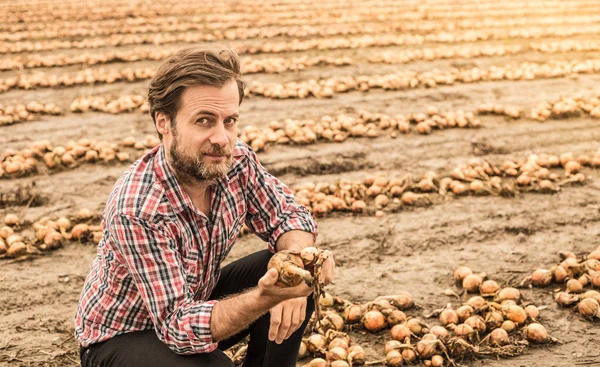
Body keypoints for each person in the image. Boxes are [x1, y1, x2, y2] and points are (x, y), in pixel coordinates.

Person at [74, 45, 335, 367]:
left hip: (192, 303)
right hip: (123, 336)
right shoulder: (138, 209)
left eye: (229, 121)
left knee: (292, 271)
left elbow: (289, 215)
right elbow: (176, 326)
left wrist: (295, 261)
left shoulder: (235, 161)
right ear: (164, 122)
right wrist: (267, 296)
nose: (222, 138)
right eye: (204, 121)